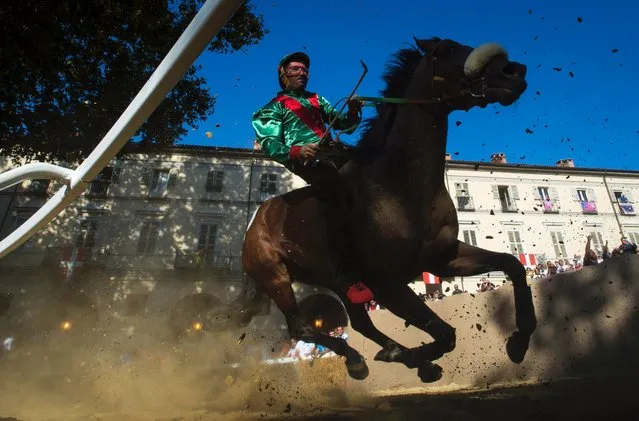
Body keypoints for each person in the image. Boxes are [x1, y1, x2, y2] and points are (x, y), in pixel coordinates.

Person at [251, 51, 372, 304]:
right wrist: (297, 150)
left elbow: (344, 126)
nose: (302, 73)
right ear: (283, 75)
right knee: (333, 187)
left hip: (334, 150)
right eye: (295, 69)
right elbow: (270, 144)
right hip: (307, 159)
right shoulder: (272, 108)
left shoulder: (318, 99)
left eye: (305, 70)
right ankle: (347, 275)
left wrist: (352, 112)